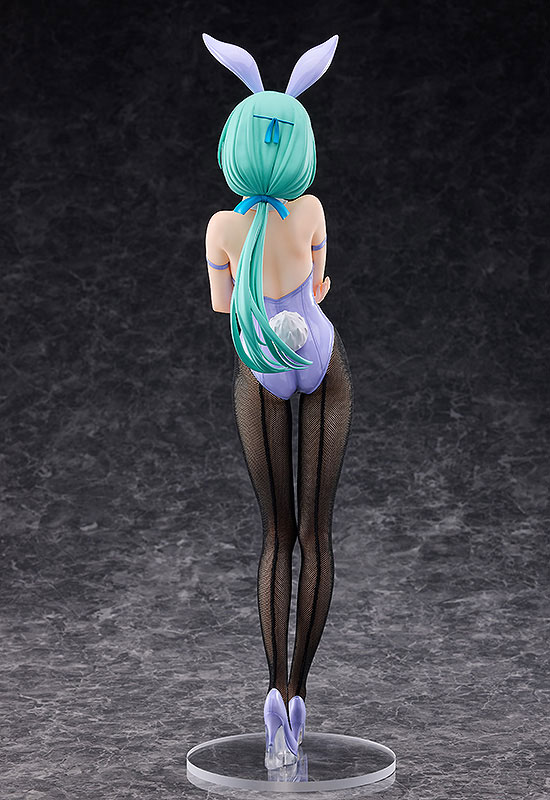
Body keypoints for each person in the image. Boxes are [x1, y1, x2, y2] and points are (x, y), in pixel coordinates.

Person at [202, 32, 353, 769]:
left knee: (278, 536)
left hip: (259, 367)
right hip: (321, 358)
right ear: (299, 146)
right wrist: (302, 291)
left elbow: (221, 304)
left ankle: (274, 691)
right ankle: (300, 696)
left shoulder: (224, 227)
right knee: (318, 536)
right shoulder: (312, 209)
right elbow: (319, 287)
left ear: (237, 144)